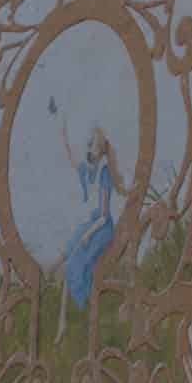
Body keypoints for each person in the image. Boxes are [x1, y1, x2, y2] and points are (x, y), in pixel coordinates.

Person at [55, 108, 118, 341]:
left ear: (100, 151)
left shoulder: (104, 175)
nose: (88, 148)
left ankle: (73, 319)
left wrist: (89, 235)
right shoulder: (89, 173)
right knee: (67, 253)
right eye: (88, 144)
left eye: (92, 145)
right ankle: (61, 320)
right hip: (91, 226)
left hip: (101, 229)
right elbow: (72, 159)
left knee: (73, 265)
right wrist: (62, 135)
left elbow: (103, 215)